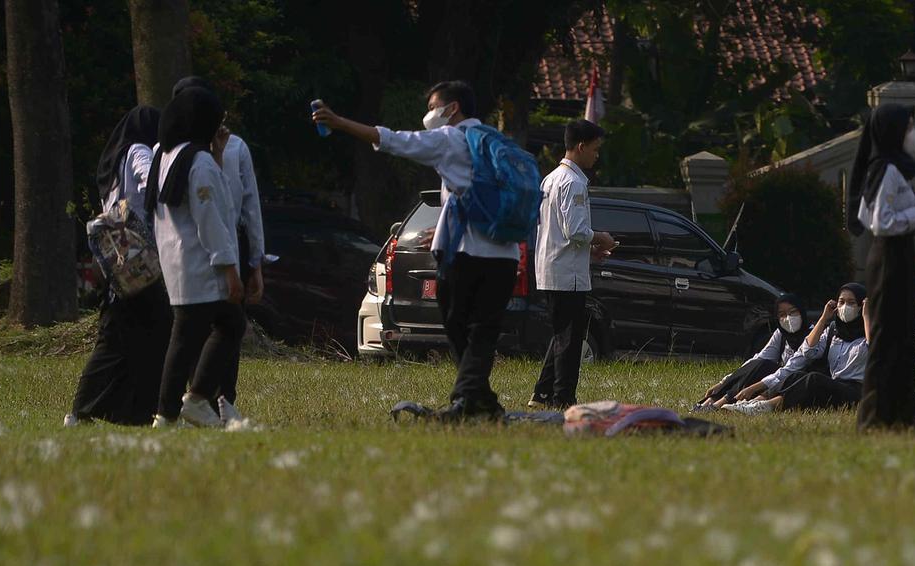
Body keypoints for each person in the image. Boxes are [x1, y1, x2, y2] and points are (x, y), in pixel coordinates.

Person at [313, 81, 520, 421]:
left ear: (451, 108)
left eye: (433, 106)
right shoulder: (497, 143)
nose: (429, 114)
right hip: (505, 253)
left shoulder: (450, 139)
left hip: (466, 254)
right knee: (482, 328)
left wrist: (340, 123)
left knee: (458, 324)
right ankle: (480, 399)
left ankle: (466, 399)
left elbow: (395, 140)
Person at [65, 106, 173, 427]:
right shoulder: (139, 150)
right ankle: (92, 410)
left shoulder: (113, 163)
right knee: (144, 333)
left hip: (120, 259)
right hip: (142, 258)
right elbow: (150, 179)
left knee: (124, 334)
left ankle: (132, 412)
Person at [147, 86, 246, 428]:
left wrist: (217, 153)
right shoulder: (198, 161)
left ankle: (168, 414)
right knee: (228, 325)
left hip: (175, 264)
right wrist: (230, 269)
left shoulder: (165, 155)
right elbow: (212, 219)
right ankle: (196, 399)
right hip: (200, 264)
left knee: (185, 340)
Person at [848, 104, 915, 432]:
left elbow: (863, 214)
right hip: (890, 257)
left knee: (900, 337)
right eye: (908, 127)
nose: (912, 134)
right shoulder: (887, 169)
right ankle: (877, 418)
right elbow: (881, 222)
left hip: (895, 255)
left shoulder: (888, 168)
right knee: (887, 338)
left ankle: (898, 418)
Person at [172, 76, 265, 423]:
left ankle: (224, 398)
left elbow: (249, 204)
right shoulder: (173, 152)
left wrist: (255, 259)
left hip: (230, 243)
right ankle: (192, 399)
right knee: (193, 327)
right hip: (190, 246)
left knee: (229, 323)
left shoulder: (236, 147)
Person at [529, 119, 617, 410]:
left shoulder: (550, 178)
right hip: (567, 274)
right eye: (595, 149)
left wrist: (588, 252)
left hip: (551, 266)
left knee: (562, 333)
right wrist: (600, 238)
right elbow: (576, 230)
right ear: (581, 147)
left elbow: (555, 231)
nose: (597, 155)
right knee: (571, 337)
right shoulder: (574, 182)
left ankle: (542, 393)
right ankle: (563, 397)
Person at [723, 284, 870, 415]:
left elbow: (875, 350)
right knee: (796, 375)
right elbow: (808, 351)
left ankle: (767, 406)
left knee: (814, 378)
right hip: (834, 383)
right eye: (841, 302)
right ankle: (756, 401)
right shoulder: (833, 331)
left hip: (856, 391)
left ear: (861, 305)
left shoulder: (869, 331)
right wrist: (824, 318)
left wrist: (867, 316)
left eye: (851, 303)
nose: (845, 307)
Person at [694, 293, 809, 411]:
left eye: (793, 312)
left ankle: (720, 403)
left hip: (793, 381)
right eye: (782, 315)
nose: (788, 318)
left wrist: (753, 388)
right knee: (760, 364)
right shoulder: (781, 333)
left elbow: (791, 368)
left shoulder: (813, 336)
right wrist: (725, 381)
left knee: (765, 366)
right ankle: (712, 400)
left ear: (802, 312)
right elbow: (759, 358)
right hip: (774, 379)